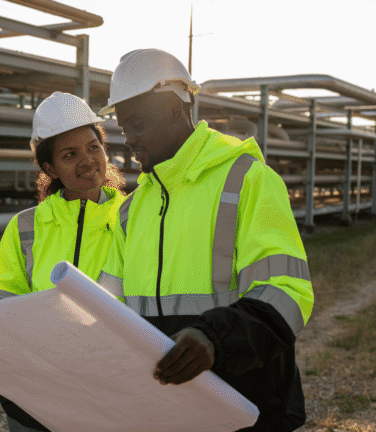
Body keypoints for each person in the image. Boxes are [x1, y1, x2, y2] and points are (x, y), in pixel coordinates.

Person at [96, 49, 314, 431]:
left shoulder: (247, 179)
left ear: (174, 112)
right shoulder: (132, 210)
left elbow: (286, 292)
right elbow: (110, 304)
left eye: (135, 124)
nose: (127, 139)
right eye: (122, 126)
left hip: (244, 404)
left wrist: (213, 338)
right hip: (163, 408)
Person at [0, 91, 126, 432]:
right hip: (35, 391)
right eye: (70, 154)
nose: (88, 159)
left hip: (108, 390)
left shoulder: (131, 217)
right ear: (51, 168)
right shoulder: (26, 226)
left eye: (94, 147)